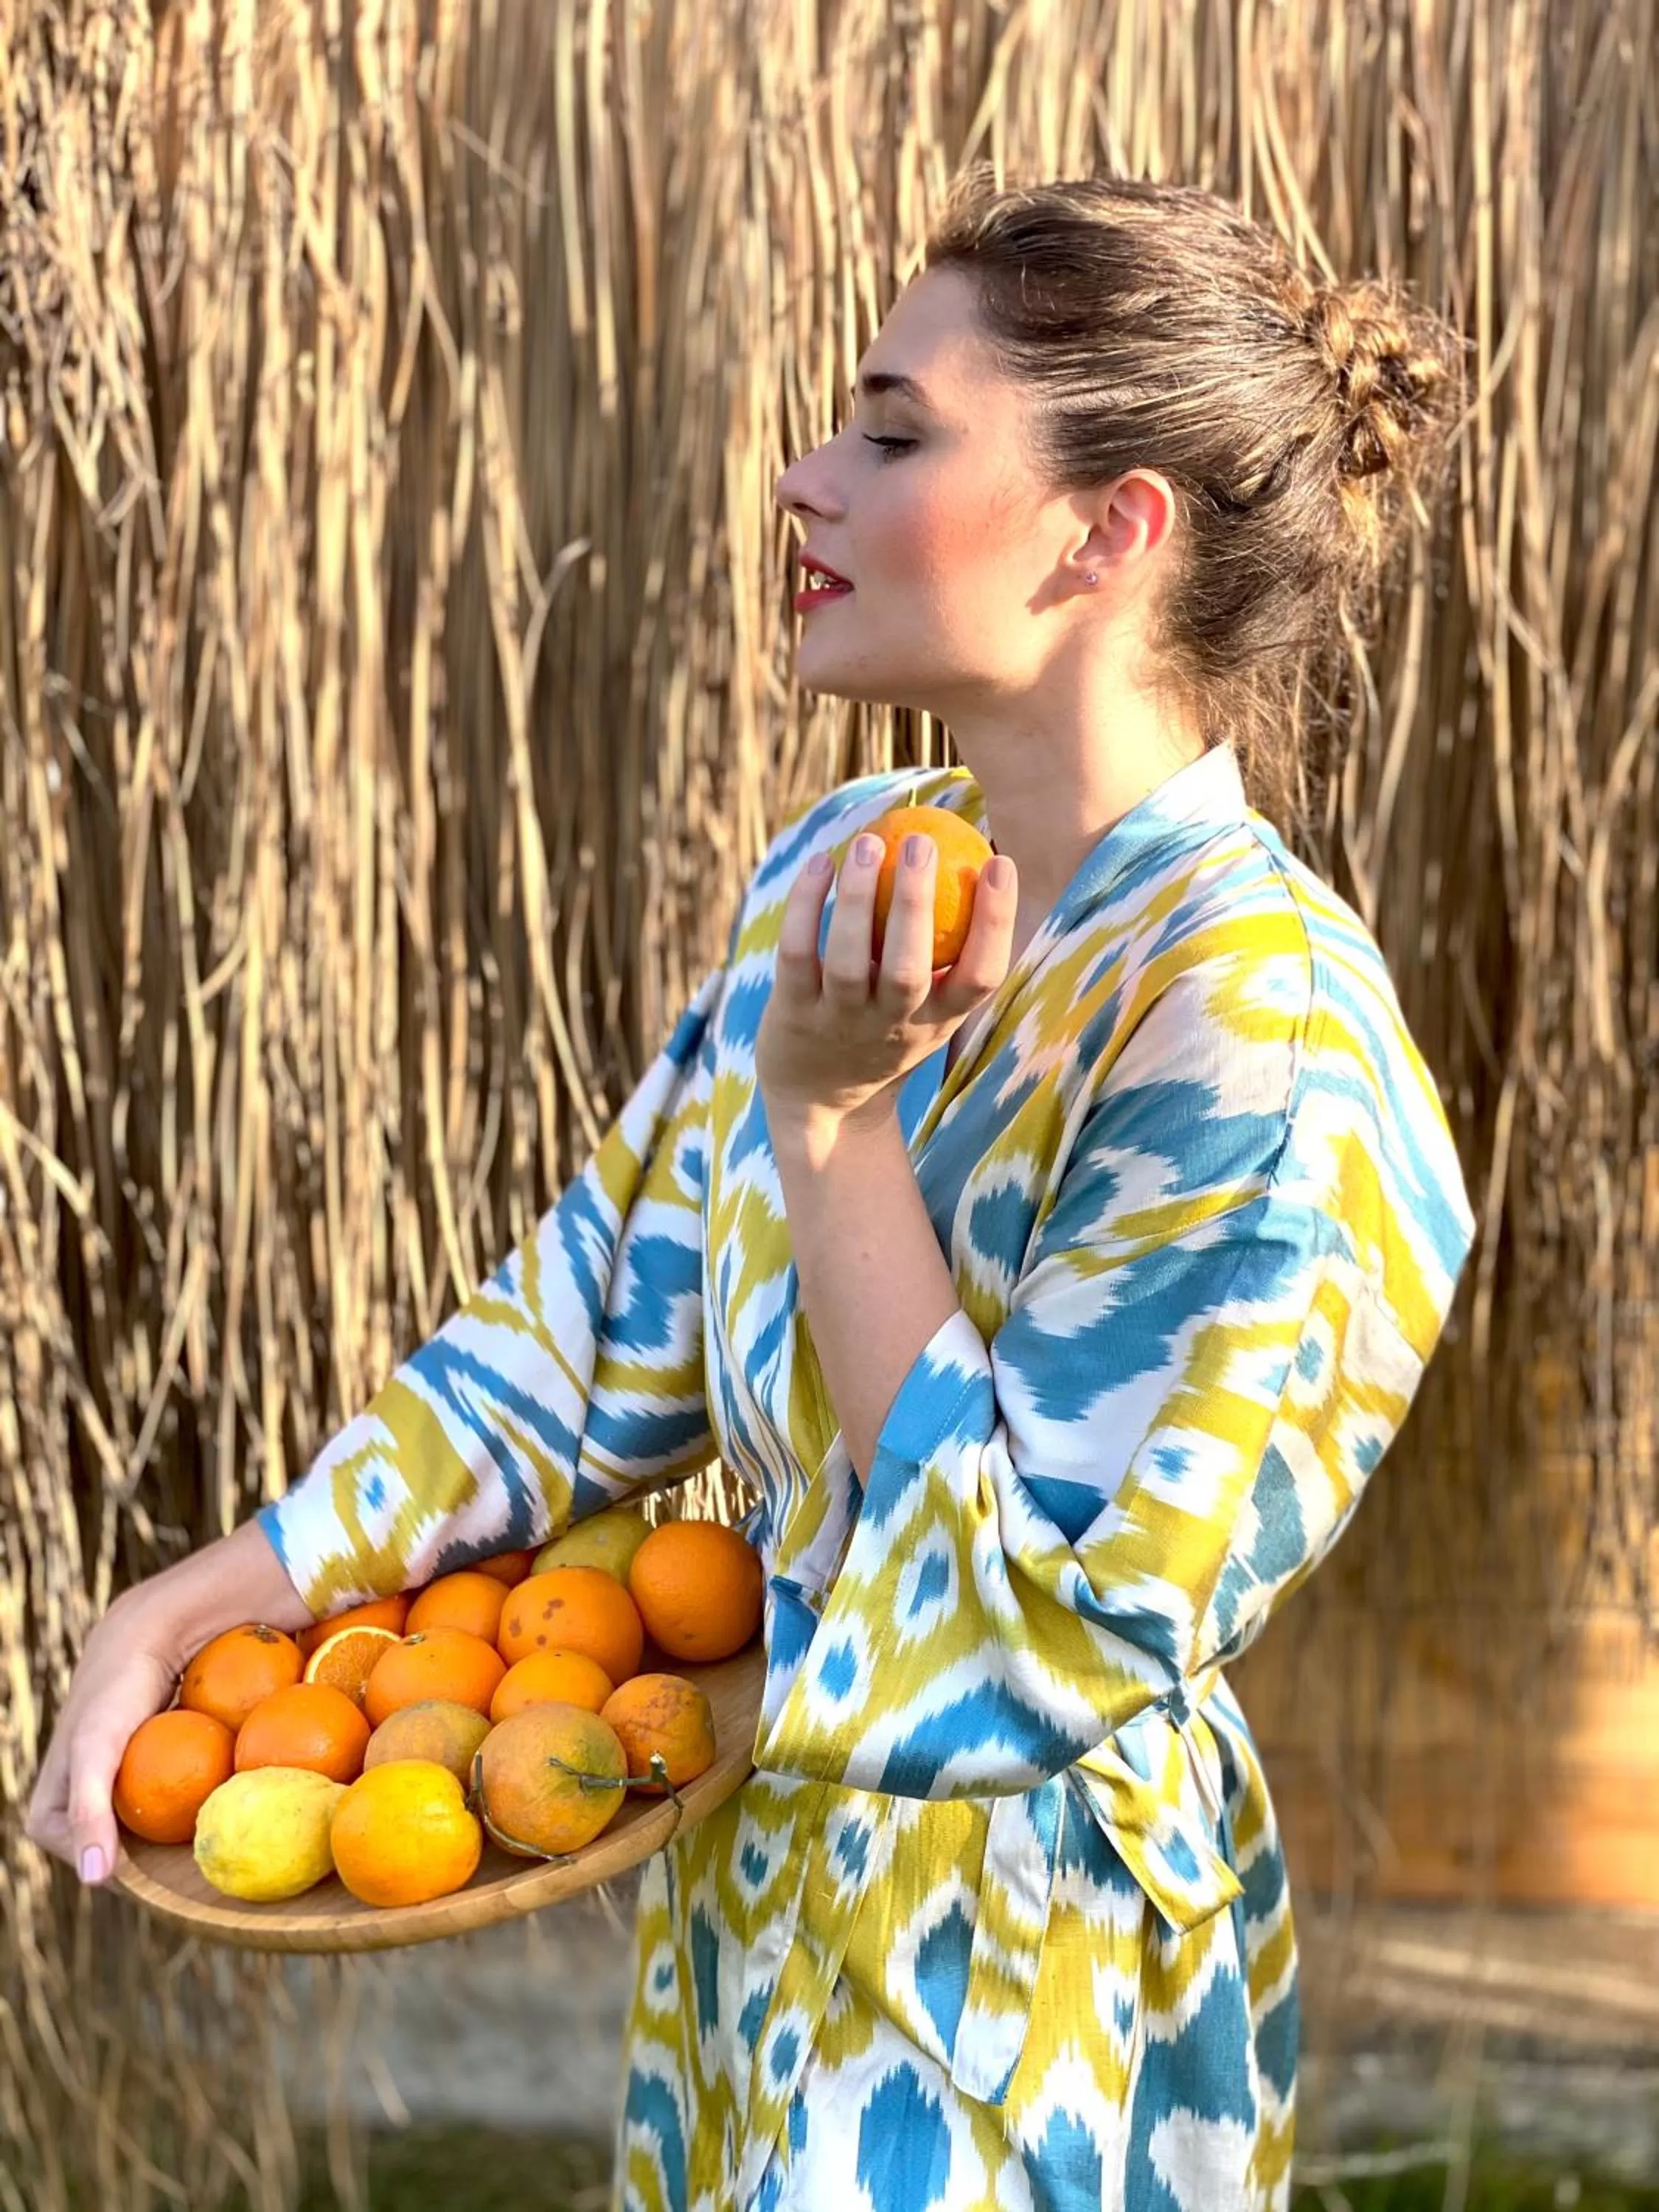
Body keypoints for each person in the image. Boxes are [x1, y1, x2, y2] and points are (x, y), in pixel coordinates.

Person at [29, 168, 1476, 2209]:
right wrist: (199, 1604)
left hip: (1025, 2026)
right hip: (750, 1962)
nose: (802, 478)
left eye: (893, 431)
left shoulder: (1271, 1048)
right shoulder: (855, 868)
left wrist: (830, 1125)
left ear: (1108, 528)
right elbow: (585, 1334)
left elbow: (1025, 1620)